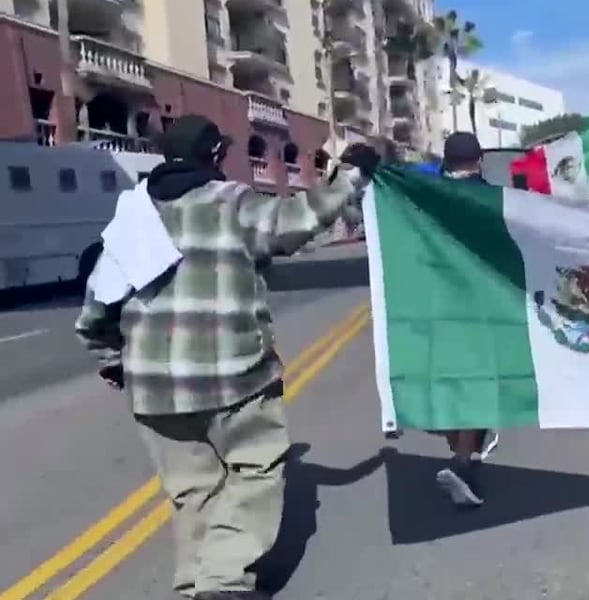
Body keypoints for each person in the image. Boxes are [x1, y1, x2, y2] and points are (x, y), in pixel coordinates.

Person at [75, 115, 379, 600]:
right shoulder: (231, 203)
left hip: (154, 387)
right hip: (234, 379)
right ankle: (222, 583)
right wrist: (351, 175)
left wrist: (113, 359)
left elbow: (95, 308)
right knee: (256, 472)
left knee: (192, 489)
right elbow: (299, 221)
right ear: (214, 155)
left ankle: (196, 584)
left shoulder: (130, 217)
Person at [434, 131, 501, 508]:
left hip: (437, 304)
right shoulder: (490, 198)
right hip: (478, 306)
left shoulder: (423, 197)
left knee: (448, 380)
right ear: (479, 161)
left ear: (446, 160)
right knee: (476, 383)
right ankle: (462, 462)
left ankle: (466, 454)